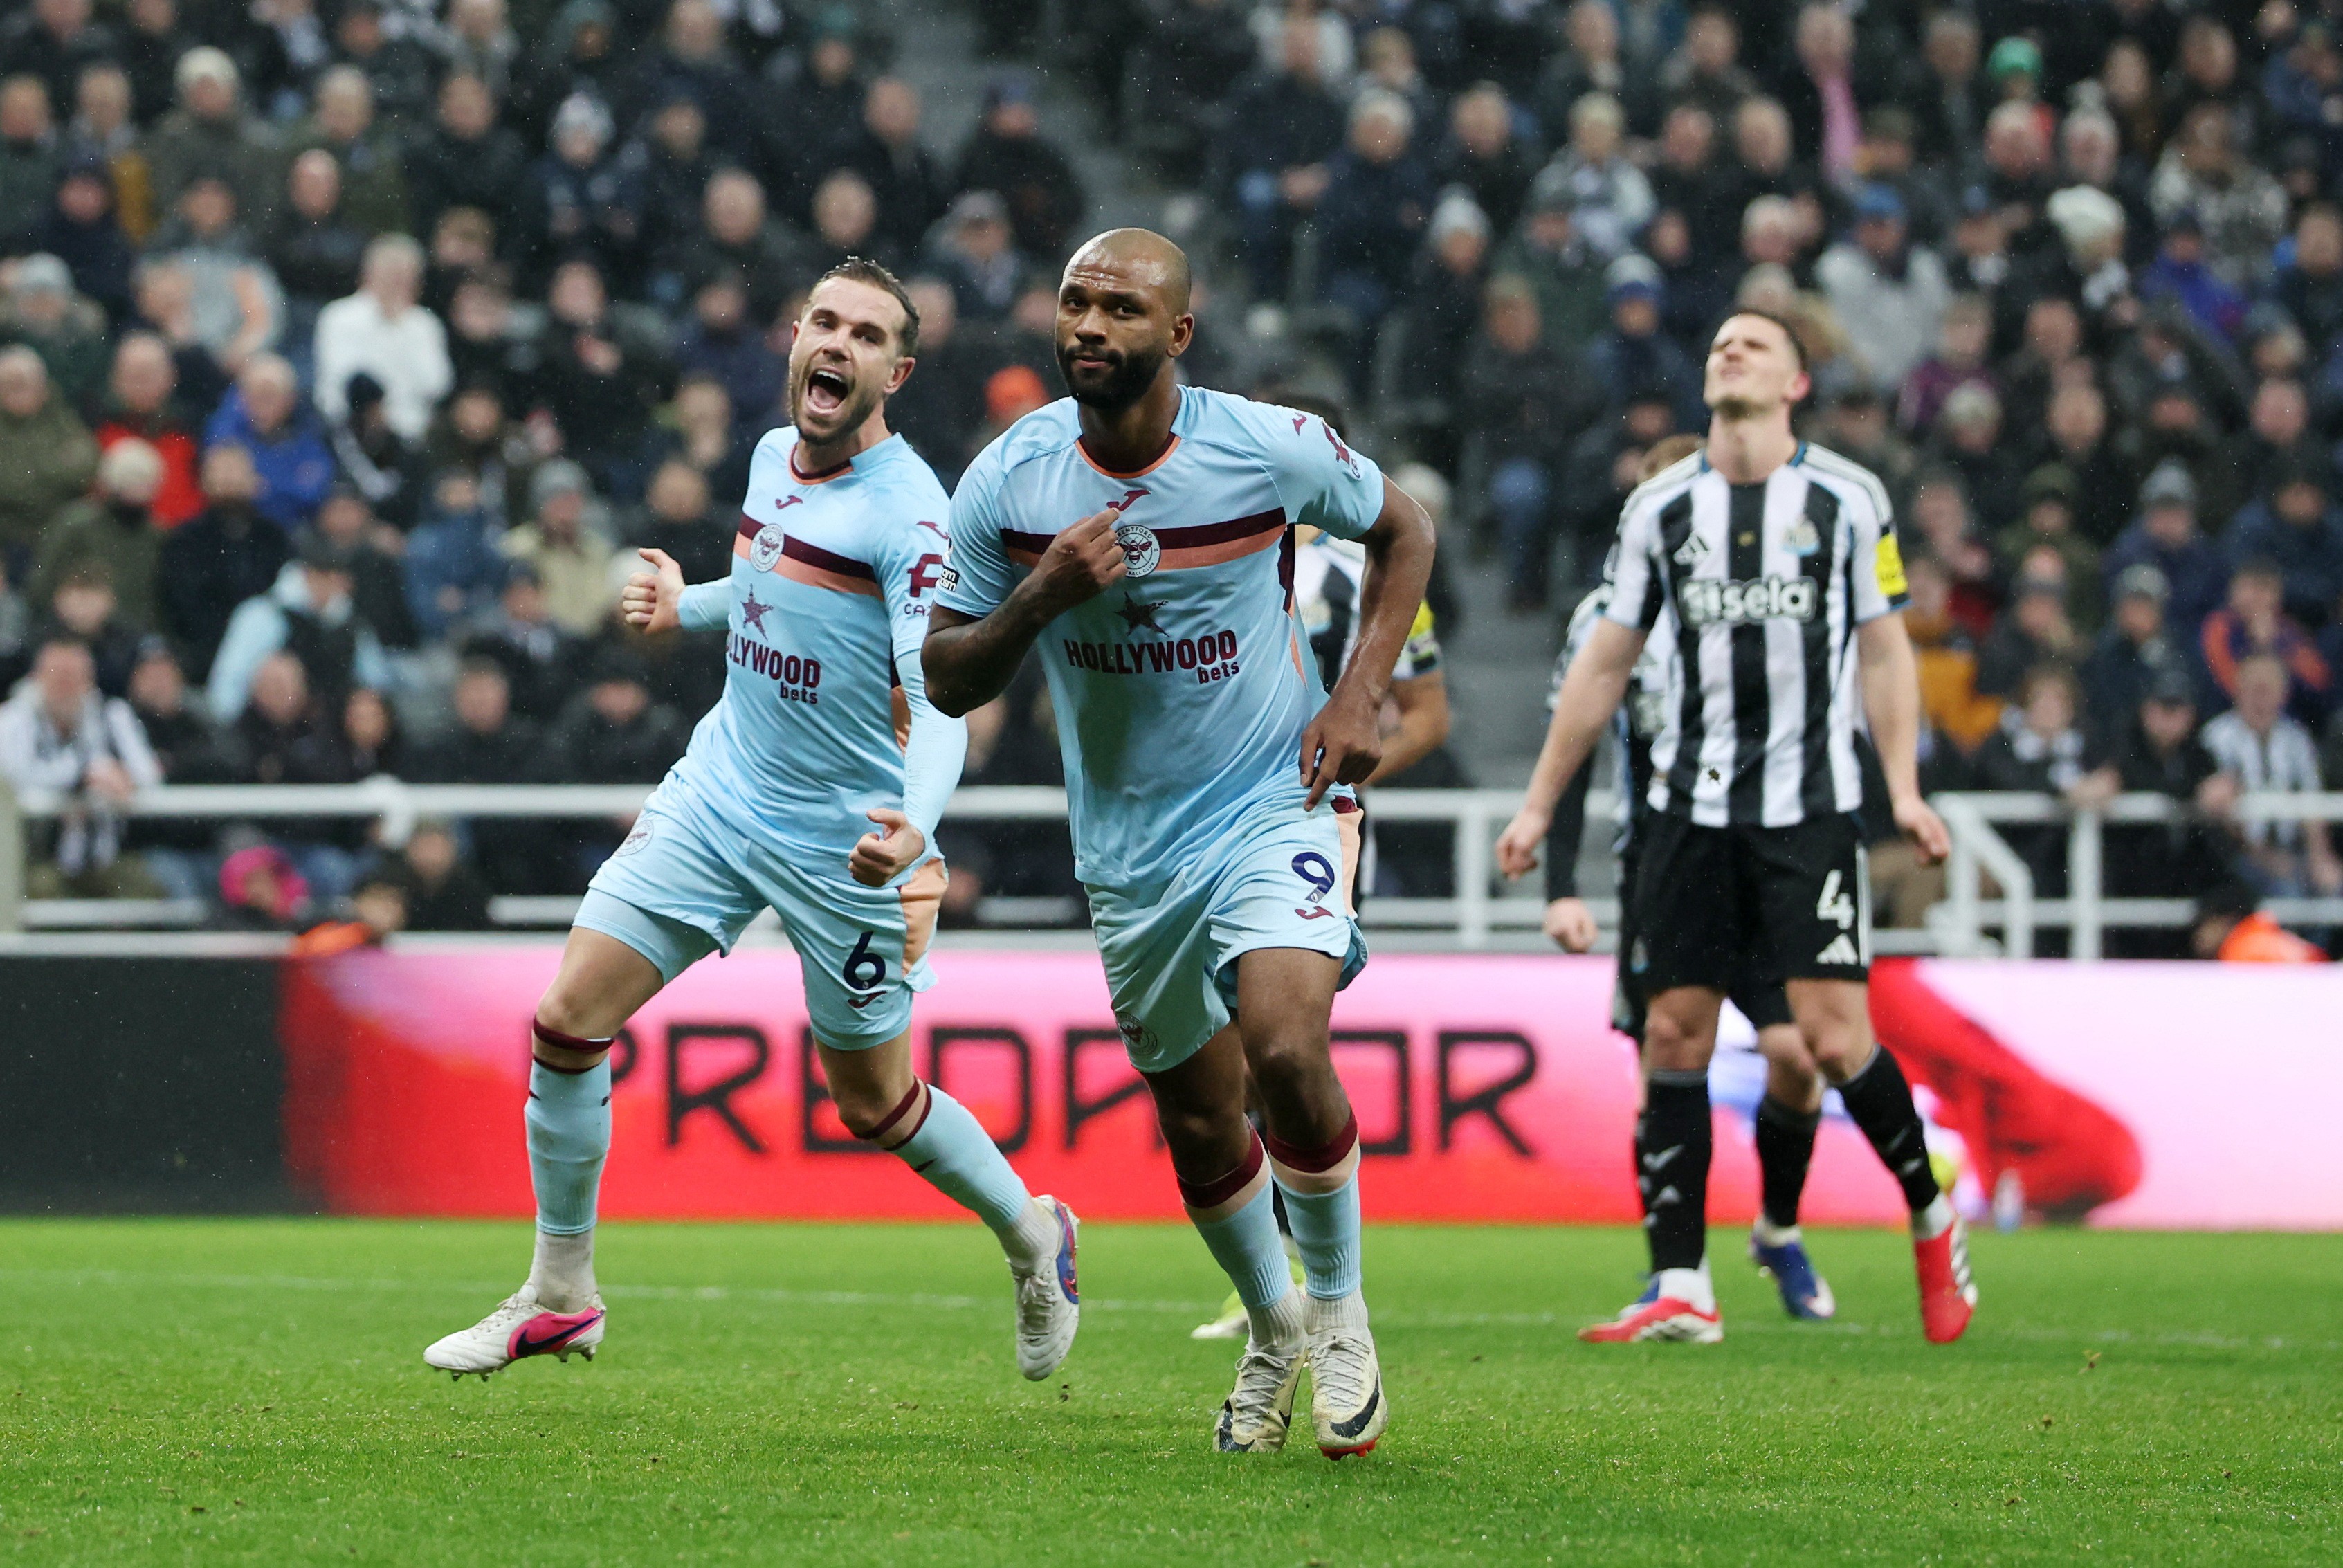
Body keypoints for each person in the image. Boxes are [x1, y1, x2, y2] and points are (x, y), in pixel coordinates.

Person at [423, 259, 1080, 1389]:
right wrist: (691, 607)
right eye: (824, 319)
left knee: (874, 1104)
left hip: (841, 836)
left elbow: (940, 706)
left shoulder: (909, 516)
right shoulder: (774, 456)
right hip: (721, 789)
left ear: (894, 372)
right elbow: (774, 582)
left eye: (866, 334)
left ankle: (1034, 1236)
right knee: (567, 1020)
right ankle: (561, 1294)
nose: (837, 342)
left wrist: (915, 826)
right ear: (795, 339)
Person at [924, 229, 1437, 1458]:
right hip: (1131, 846)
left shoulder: (1263, 447)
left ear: (1179, 336)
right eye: (1074, 304)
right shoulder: (1011, 478)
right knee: (1203, 1123)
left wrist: (1360, 690)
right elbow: (945, 678)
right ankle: (1275, 1330)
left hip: (1273, 795)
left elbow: (1405, 529)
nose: (1090, 327)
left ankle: (1343, 1311)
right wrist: (1041, 595)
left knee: (1283, 1039)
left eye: (1120, 309)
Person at [1494, 309, 1976, 1347]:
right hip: (1684, 812)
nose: (1729, 350)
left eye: (1754, 344)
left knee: (1833, 1034)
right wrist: (1538, 803)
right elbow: (1603, 664)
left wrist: (1901, 787)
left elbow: (1885, 652)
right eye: (1717, 341)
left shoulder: (1847, 498)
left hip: (1806, 809)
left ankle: (1930, 1217)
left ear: (1797, 383)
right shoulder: (1659, 507)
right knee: (1672, 1032)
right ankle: (1681, 1282)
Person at [1540, 433, 1837, 1322]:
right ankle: (1674, 1273)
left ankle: (1776, 1230)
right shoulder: (1606, 612)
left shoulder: (1762, 600)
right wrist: (1560, 884)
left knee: (1798, 1058)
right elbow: (1575, 742)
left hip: (1767, 856)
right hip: (1665, 863)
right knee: (1664, 1060)